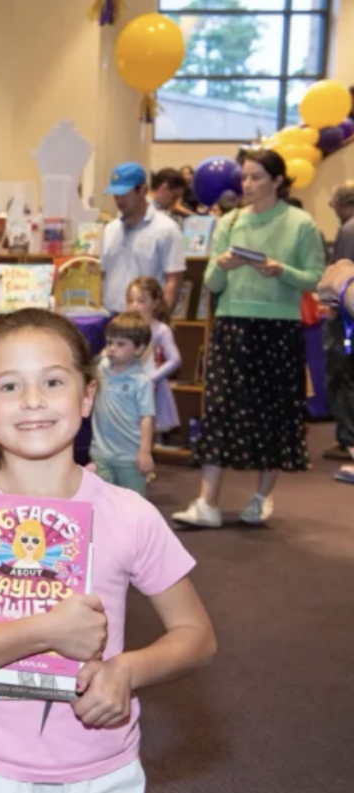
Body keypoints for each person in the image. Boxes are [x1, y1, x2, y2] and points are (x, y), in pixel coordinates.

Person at [0, 308, 216, 793]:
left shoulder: (129, 514)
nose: (32, 401)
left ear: (87, 395)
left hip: (101, 769)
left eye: (53, 381)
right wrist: (46, 629)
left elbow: (197, 636)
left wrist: (126, 670)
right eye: (9, 387)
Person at [173, 149, 325, 528]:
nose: (248, 184)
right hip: (231, 325)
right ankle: (206, 502)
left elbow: (315, 278)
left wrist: (280, 270)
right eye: (245, 177)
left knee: (274, 412)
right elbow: (210, 282)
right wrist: (222, 265)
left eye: (257, 177)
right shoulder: (230, 221)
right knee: (221, 409)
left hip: (279, 328)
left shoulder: (301, 223)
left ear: (277, 181)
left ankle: (261, 497)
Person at [100, 162, 186, 314]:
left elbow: (174, 281)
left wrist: (159, 322)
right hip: (111, 318)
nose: (119, 200)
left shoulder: (167, 230)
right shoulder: (110, 230)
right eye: (115, 195)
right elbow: (103, 275)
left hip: (147, 321)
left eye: (124, 194)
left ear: (143, 190)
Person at [92, 312, 156, 496]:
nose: (112, 348)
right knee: (102, 501)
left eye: (120, 344)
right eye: (109, 342)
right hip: (101, 454)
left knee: (133, 502)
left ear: (139, 348)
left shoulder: (141, 381)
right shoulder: (101, 368)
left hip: (130, 457)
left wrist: (145, 452)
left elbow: (146, 418)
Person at [322, 181, 354, 466]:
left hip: (346, 319)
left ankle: (347, 439)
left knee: (340, 378)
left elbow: (338, 277)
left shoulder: (348, 229)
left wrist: (330, 312)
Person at [128, 276, 182, 436]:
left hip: (152, 389)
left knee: (146, 433)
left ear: (155, 303)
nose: (135, 306)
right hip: (127, 387)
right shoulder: (125, 327)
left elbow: (175, 360)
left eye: (141, 301)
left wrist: (151, 379)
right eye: (131, 301)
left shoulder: (161, 330)